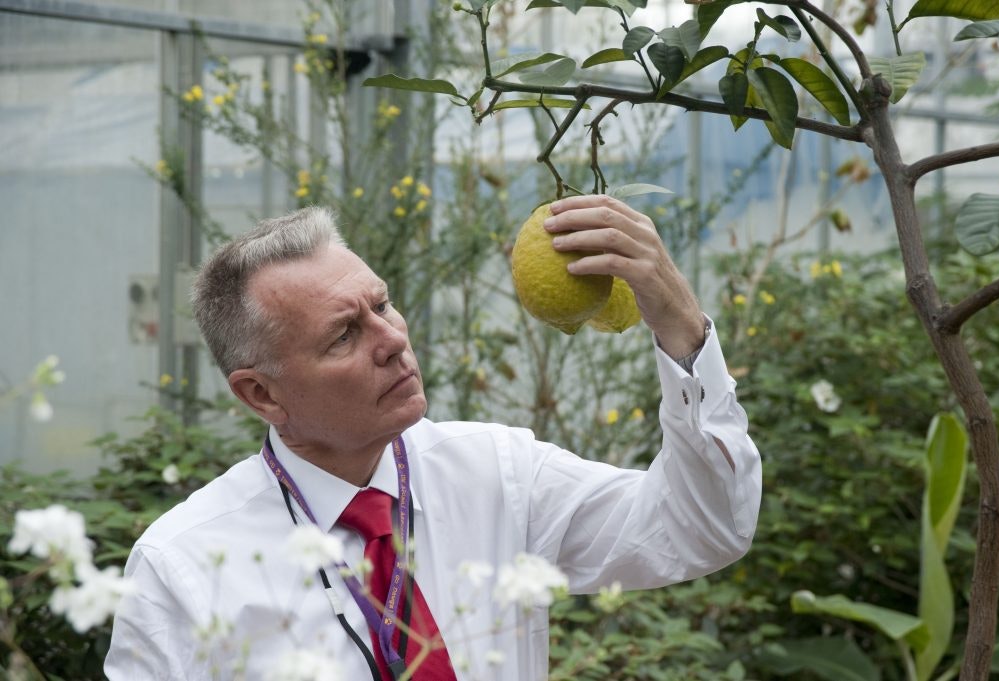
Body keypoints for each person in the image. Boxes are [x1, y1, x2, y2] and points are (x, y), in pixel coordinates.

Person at [105, 195, 761, 680]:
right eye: (345, 335)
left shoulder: (496, 475)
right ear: (261, 393)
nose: (392, 340)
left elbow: (702, 526)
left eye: (382, 304)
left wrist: (680, 326)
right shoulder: (182, 567)